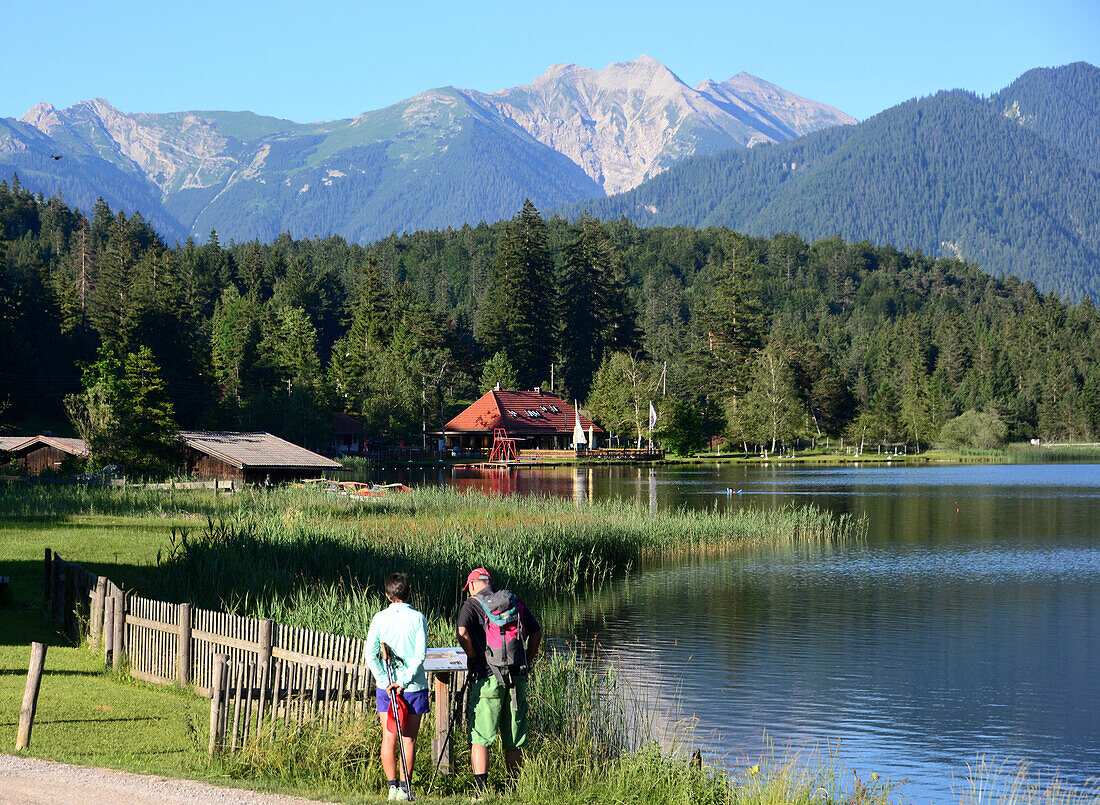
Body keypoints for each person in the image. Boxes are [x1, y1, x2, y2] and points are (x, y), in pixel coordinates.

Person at [457, 567, 542, 798]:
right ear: (490, 583)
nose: (468, 592)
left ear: (474, 584)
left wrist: (473, 655)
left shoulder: (471, 604)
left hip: (487, 678)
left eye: (469, 588)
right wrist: (527, 660)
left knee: (481, 737)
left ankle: (481, 792)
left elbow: (462, 632)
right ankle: (513, 790)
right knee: (513, 738)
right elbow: (536, 633)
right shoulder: (514, 602)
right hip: (517, 677)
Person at [366, 572, 428, 801]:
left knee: (389, 736)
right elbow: (420, 654)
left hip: (387, 688)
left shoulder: (379, 618)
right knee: (408, 739)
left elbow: (370, 656)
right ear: (409, 592)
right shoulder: (418, 617)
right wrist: (402, 682)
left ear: (387, 595)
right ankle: (404, 788)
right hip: (412, 687)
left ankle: (392, 788)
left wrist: (385, 682)